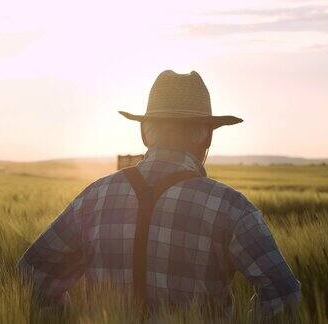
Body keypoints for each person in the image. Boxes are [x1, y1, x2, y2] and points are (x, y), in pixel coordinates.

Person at [18, 70, 301, 321]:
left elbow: (32, 274)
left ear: (144, 132)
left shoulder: (93, 198)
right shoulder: (231, 208)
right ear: (206, 136)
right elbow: (283, 295)